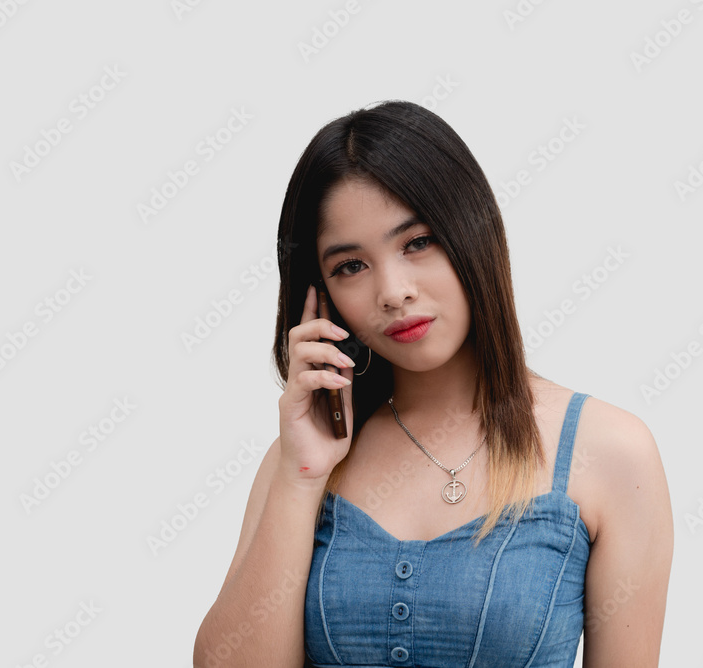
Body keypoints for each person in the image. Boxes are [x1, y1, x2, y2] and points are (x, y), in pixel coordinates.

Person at [194, 100, 673, 667]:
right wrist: (301, 479)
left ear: (473, 234)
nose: (393, 291)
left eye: (417, 242)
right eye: (351, 265)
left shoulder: (610, 451)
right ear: (319, 297)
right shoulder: (301, 462)